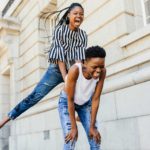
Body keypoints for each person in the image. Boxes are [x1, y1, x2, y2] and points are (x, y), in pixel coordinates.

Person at [0, 3, 87, 128]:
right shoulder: (60, 30)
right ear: (69, 15)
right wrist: (66, 78)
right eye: (76, 13)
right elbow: (59, 56)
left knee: (89, 81)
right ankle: (7, 118)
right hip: (57, 70)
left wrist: (79, 76)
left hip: (72, 69)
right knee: (35, 96)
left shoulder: (83, 35)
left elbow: (79, 59)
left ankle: (79, 113)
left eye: (81, 14)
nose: (79, 16)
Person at [58, 46, 106, 150]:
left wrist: (92, 126)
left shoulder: (102, 72)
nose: (98, 70)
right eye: (95, 67)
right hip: (66, 103)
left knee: (95, 138)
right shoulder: (75, 70)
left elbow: (96, 99)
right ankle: (76, 119)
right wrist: (74, 127)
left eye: (101, 66)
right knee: (71, 139)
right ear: (84, 62)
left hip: (84, 104)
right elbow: (70, 100)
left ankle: (80, 117)